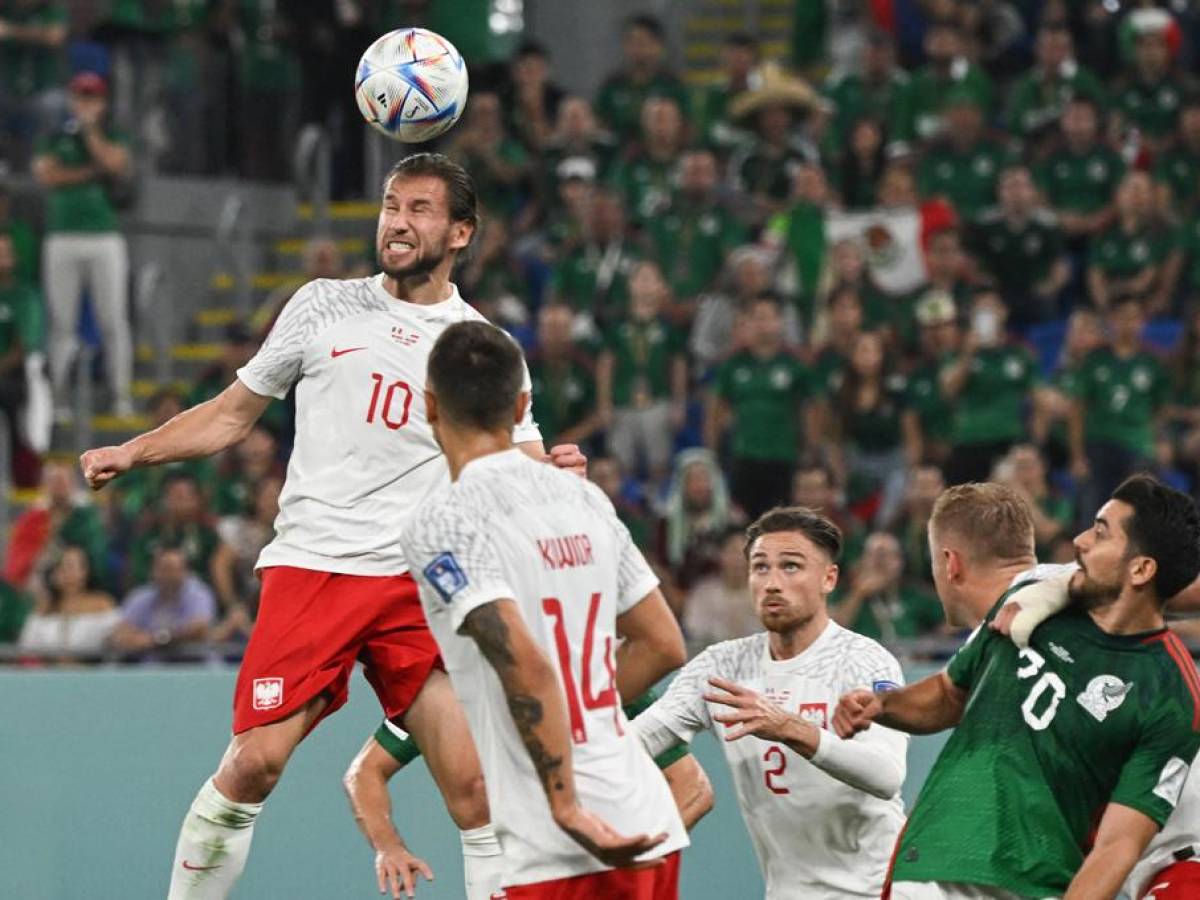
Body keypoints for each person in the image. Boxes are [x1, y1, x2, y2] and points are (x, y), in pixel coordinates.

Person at [78, 153, 586, 900]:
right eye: (390, 205)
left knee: (475, 790)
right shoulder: (322, 305)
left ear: (460, 233)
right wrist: (134, 450)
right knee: (255, 764)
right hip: (316, 565)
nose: (398, 223)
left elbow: (519, 460)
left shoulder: (485, 348)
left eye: (419, 210)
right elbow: (229, 414)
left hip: (420, 580)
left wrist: (557, 477)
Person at [399, 320, 690, 896]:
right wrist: (587, 707)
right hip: (646, 816)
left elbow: (523, 662)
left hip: (562, 844)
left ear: (429, 407)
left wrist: (565, 805)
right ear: (522, 405)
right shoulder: (583, 498)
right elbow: (663, 645)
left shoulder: (441, 521)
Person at [834, 478, 1200, 898]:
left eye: (1100, 532)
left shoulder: (1171, 693)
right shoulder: (1033, 595)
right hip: (937, 864)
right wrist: (882, 705)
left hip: (1042, 880)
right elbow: (951, 692)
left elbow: (1117, 844)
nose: (1079, 540)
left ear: (1141, 568)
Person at [632, 506, 907, 898]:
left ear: (829, 578)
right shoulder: (722, 664)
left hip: (877, 890)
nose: (772, 583)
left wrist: (791, 728)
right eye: (760, 568)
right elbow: (636, 743)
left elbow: (886, 775)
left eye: (791, 567)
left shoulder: (863, 661)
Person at [344, 685, 714, 900]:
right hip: (497, 873)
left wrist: (627, 865)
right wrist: (388, 847)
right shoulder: (453, 687)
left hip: (584, 867)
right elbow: (364, 772)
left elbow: (692, 787)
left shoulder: (600, 674)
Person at [32, 71, 133, 418]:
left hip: (105, 237)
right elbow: (47, 175)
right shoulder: (55, 135)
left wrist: (91, 132)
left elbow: (115, 164)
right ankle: (59, 400)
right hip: (62, 237)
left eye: (92, 98)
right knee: (62, 323)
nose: (85, 103)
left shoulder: (114, 133)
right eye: (80, 97)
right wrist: (90, 173)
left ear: (102, 103)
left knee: (113, 320)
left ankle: (121, 396)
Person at [706, 293, 816, 519]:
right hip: (745, 457)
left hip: (784, 458)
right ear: (747, 322)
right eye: (757, 318)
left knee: (782, 524)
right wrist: (712, 453)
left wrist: (810, 449)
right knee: (745, 524)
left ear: (780, 322)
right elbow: (715, 413)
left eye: (768, 317)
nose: (763, 324)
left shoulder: (795, 365)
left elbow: (809, 411)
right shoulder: (733, 366)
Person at [109, 546, 216, 661]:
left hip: (194, 665)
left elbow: (199, 630)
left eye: (176, 569)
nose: (170, 575)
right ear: (154, 571)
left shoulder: (198, 593)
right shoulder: (141, 597)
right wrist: (131, 639)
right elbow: (120, 634)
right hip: (153, 668)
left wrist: (156, 639)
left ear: (185, 571)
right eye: (165, 569)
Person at [833, 532, 943, 643]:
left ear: (900, 562)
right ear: (863, 561)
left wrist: (930, 644)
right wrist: (858, 594)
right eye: (873, 555)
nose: (879, 561)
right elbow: (832, 630)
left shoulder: (912, 595)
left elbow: (951, 620)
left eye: (885, 555)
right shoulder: (845, 593)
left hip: (906, 658)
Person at [18, 544, 120, 659]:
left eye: (70, 566)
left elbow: (118, 643)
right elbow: (26, 647)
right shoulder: (44, 607)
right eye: (60, 567)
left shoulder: (102, 604)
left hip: (91, 671)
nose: (64, 572)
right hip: (47, 671)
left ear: (86, 571)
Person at [680, 525, 757, 647]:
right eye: (733, 551)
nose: (739, 559)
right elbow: (693, 635)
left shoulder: (765, 596)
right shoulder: (703, 593)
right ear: (720, 555)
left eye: (746, 552)